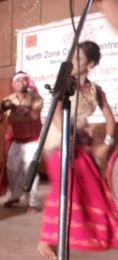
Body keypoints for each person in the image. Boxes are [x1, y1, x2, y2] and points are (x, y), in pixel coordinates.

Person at [38, 41, 118, 258]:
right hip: (58, 140)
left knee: (90, 189)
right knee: (63, 187)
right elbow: (54, 111)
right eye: (72, 56)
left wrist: (107, 143)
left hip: (80, 143)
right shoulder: (64, 82)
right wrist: (67, 136)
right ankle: (47, 240)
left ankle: (63, 236)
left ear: (90, 64)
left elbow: (110, 119)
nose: (73, 61)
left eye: (79, 58)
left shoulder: (95, 90)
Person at [0, 72, 43, 214]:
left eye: (24, 79)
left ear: (28, 83)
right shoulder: (7, 100)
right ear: (13, 84)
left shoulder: (36, 99)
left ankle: (32, 202)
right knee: (12, 171)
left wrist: (14, 108)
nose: (21, 82)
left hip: (32, 141)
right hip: (15, 141)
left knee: (30, 171)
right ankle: (15, 196)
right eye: (18, 80)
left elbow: (34, 116)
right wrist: (0, 111)